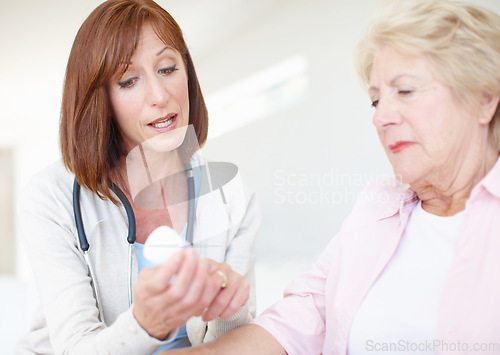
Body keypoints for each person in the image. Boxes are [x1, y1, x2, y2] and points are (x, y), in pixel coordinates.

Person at [164, 0, 500, 354]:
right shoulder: (376, 212)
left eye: (404, 91)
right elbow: (293, 323)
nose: (380, 117)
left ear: (484, 99)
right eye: (375, 101)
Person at [16, 0, 260, 354]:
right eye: (129, 80)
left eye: (167, 68)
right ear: (99, 100)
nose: (160, 96)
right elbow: (75, 347)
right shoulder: (48, 198)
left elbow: (236, 342)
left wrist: (230, 307)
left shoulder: (232, 196)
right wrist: (147, 324)